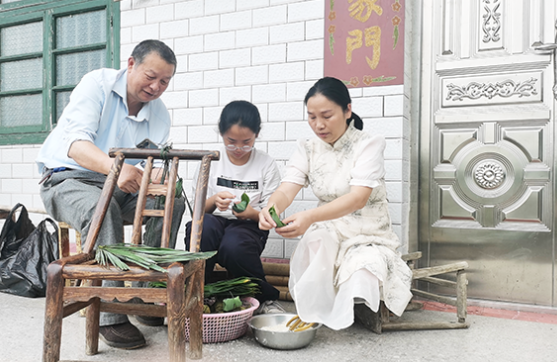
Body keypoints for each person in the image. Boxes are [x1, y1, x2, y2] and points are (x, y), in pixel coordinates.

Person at [36, 39, 185, 349]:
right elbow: (76, 146)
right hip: (67, 178)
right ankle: (111, 314)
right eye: (150, 76)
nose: (156, 86)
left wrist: (158, 175)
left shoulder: (159, 115)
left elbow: (151, 164)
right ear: (131, 64)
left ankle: (149, 292)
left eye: (165, 81)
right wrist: (116, 170)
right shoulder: (97, 85)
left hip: (118, 184)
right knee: (102, 210)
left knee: (171, 198)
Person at [258, 77, 413, 330]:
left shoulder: (368, 144)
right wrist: (272, 207)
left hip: (367, 230)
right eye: (311, 117)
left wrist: (309, 216)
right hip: (328, 226)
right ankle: (318, 317)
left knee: (364, 266)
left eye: (327, 115)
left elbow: (357, 198)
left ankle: (345, 313)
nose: (319, 125)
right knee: (316, 242)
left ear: (347, 110)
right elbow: (287, 187)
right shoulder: (307, 148)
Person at [185, 100, 283, 313]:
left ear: (257, 135)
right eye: (231, 142)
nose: (239, 148)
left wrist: (252, 214)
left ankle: (264, 298)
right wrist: (213, 201)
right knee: (203, 227)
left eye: (247, 142)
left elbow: (272, 214)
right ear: (221, 134)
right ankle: (197, 293)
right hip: (213, 222)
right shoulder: (210, 161)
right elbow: (197, 210)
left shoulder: (266, 164)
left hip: (249, 226)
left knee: (234, 246)